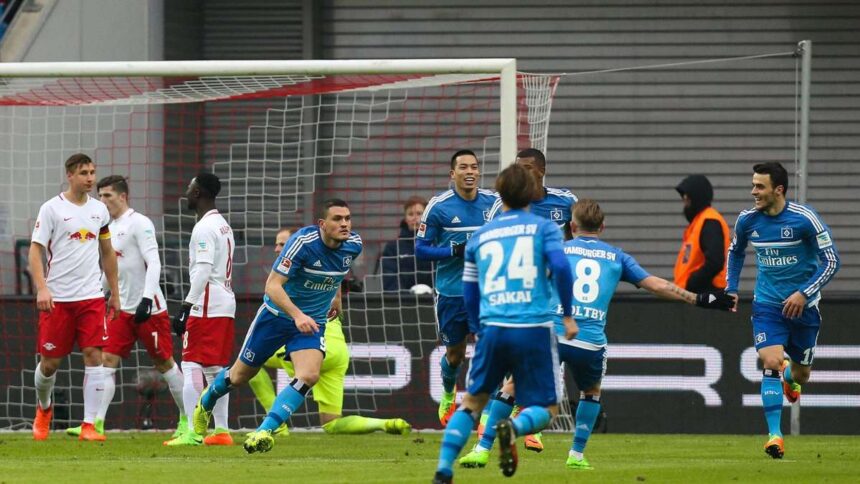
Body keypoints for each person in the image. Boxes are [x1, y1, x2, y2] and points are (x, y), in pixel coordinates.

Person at [432, 163, 576, 484]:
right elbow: (563, 269)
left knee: (470, 403)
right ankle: (512, 428)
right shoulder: (545, 228)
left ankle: (443, 468)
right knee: (547, 408)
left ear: (499, 194)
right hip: (534, 328)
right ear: (530, 193)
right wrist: (566, 314)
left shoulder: (481, 235)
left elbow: (470, 289)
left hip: (493, 327)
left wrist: (479, 327)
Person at [191, 199, 363, 454]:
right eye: (338, 219)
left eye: (347, 218)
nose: (345, 224)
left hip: (311, 323)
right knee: (240, 375)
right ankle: (206, 400)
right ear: (322, 224)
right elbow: (272, 285)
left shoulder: (353, 245)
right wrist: (296, 315)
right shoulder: (302, 244)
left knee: (309, 374)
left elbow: (337, 271)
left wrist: (336, 297)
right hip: (275, 317)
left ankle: (264, 430)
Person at [246, 229, 412, 436]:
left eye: (282, 244)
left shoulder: (295, 278)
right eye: (277, 244)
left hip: (309, 341)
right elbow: (337, 299)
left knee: (251, 362)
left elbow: (276, 293)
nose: (278, 248)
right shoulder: (331, 268)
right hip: (337, 351)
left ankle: (275, 423)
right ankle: (384, 424)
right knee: (332, 424)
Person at [726, 162, 840, 459]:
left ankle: (791, 379)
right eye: (753, 185)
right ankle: (775, 436)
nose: (753, 192)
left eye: (760, 186)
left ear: (779, 190)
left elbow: (832, 261)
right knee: (771, 359)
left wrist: (804, 293)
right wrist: (731, 288)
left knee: (801, 375)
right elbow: (735, 253)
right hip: (767, 305)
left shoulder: (805, 219)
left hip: (804, 308)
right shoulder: (747, 221)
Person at [472, 147, 578, 454]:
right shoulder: (501, 208)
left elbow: (575, 242)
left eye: (528, 168)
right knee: (525, 366)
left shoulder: (565, 202)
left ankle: (497, 429)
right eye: (518, 167)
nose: (522, 173)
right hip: (516, 295)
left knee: (536, 364)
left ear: (541, 171)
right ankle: (501, 426)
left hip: (552, 297)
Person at [64, 176, 186, 439]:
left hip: (149, 310)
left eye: (108, 196)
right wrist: (96, 296)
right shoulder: (104, 226)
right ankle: (95, 424)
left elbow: (154, 263)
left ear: (123, 197)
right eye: (101, 196)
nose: (103, 201)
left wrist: (146, 298)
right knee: (106, 362)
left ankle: (188, 421)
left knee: (165, 363)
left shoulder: (139, 223)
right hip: (120, 310)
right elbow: (110, 270)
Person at [28, 153, 120, 441]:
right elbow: (35, 250)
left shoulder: (99, 211)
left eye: (92, 172)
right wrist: (42, 287)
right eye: (84, 173)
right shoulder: (51, 209)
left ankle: (89, 425)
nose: (90, 178)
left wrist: (114, 293)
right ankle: (44, 409)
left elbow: (107, 252)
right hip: (58, 299)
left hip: (91, 297)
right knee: (50, 363)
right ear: (69, 175)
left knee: (95, 356)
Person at [415, 150, 499, 426]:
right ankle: (449, 393)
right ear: (453, 174)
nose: (470, 172)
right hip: (452, 292)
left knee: (492, 350)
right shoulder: (438, 206)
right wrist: (454, 249)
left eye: (474, 167)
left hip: (489, 292)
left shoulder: (494, 203)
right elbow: (421, 249)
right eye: (463, 167)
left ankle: (486, 413)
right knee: (455, 355)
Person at [164, 172, 236, 446]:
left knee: (192, 362)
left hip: (206, 306)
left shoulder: (204, 228)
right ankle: (221, 431)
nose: (185, 193)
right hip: (224, 303)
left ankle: (193, 432)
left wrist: (185, 306)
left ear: (198, 194)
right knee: (215, 369)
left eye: (189, 188)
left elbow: (204, 270)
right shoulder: (223, 226)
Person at [674, 175, 730, 292]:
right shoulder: (699, 223)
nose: (684, 199)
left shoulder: (709, 221)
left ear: (696, 197)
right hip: (697, 296)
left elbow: (715, 262)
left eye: (687, 197)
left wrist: (692, 283)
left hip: (707, 296)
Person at [380, 196, 433, 292]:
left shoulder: (436, 244)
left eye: (419, 213)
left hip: (435, 300)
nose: (415, 218)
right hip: (404, 303)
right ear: (405, 218)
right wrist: (407, 296)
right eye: (410, 214)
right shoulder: (393, 247)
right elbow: (389, 280)